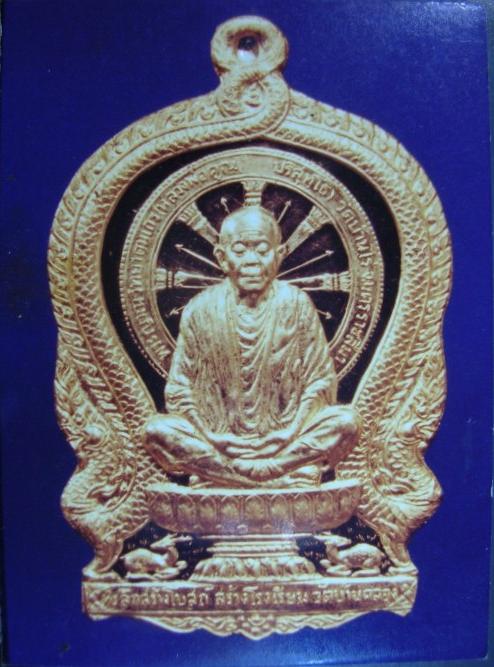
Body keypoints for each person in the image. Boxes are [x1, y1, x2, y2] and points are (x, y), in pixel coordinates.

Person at [144, 205, 359, 487]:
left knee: (346, 423)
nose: (252, 261)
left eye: (262, 250)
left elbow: (320, 382)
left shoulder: (296, 304)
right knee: (156, 431)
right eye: (240, 250)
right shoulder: (200, 309)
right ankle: (274, 477)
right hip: (218, 442)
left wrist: (289, 433)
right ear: (222, 257)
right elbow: (179, 389)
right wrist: (211, 436)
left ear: (279, 255)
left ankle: (232, 475)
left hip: (285, 442)